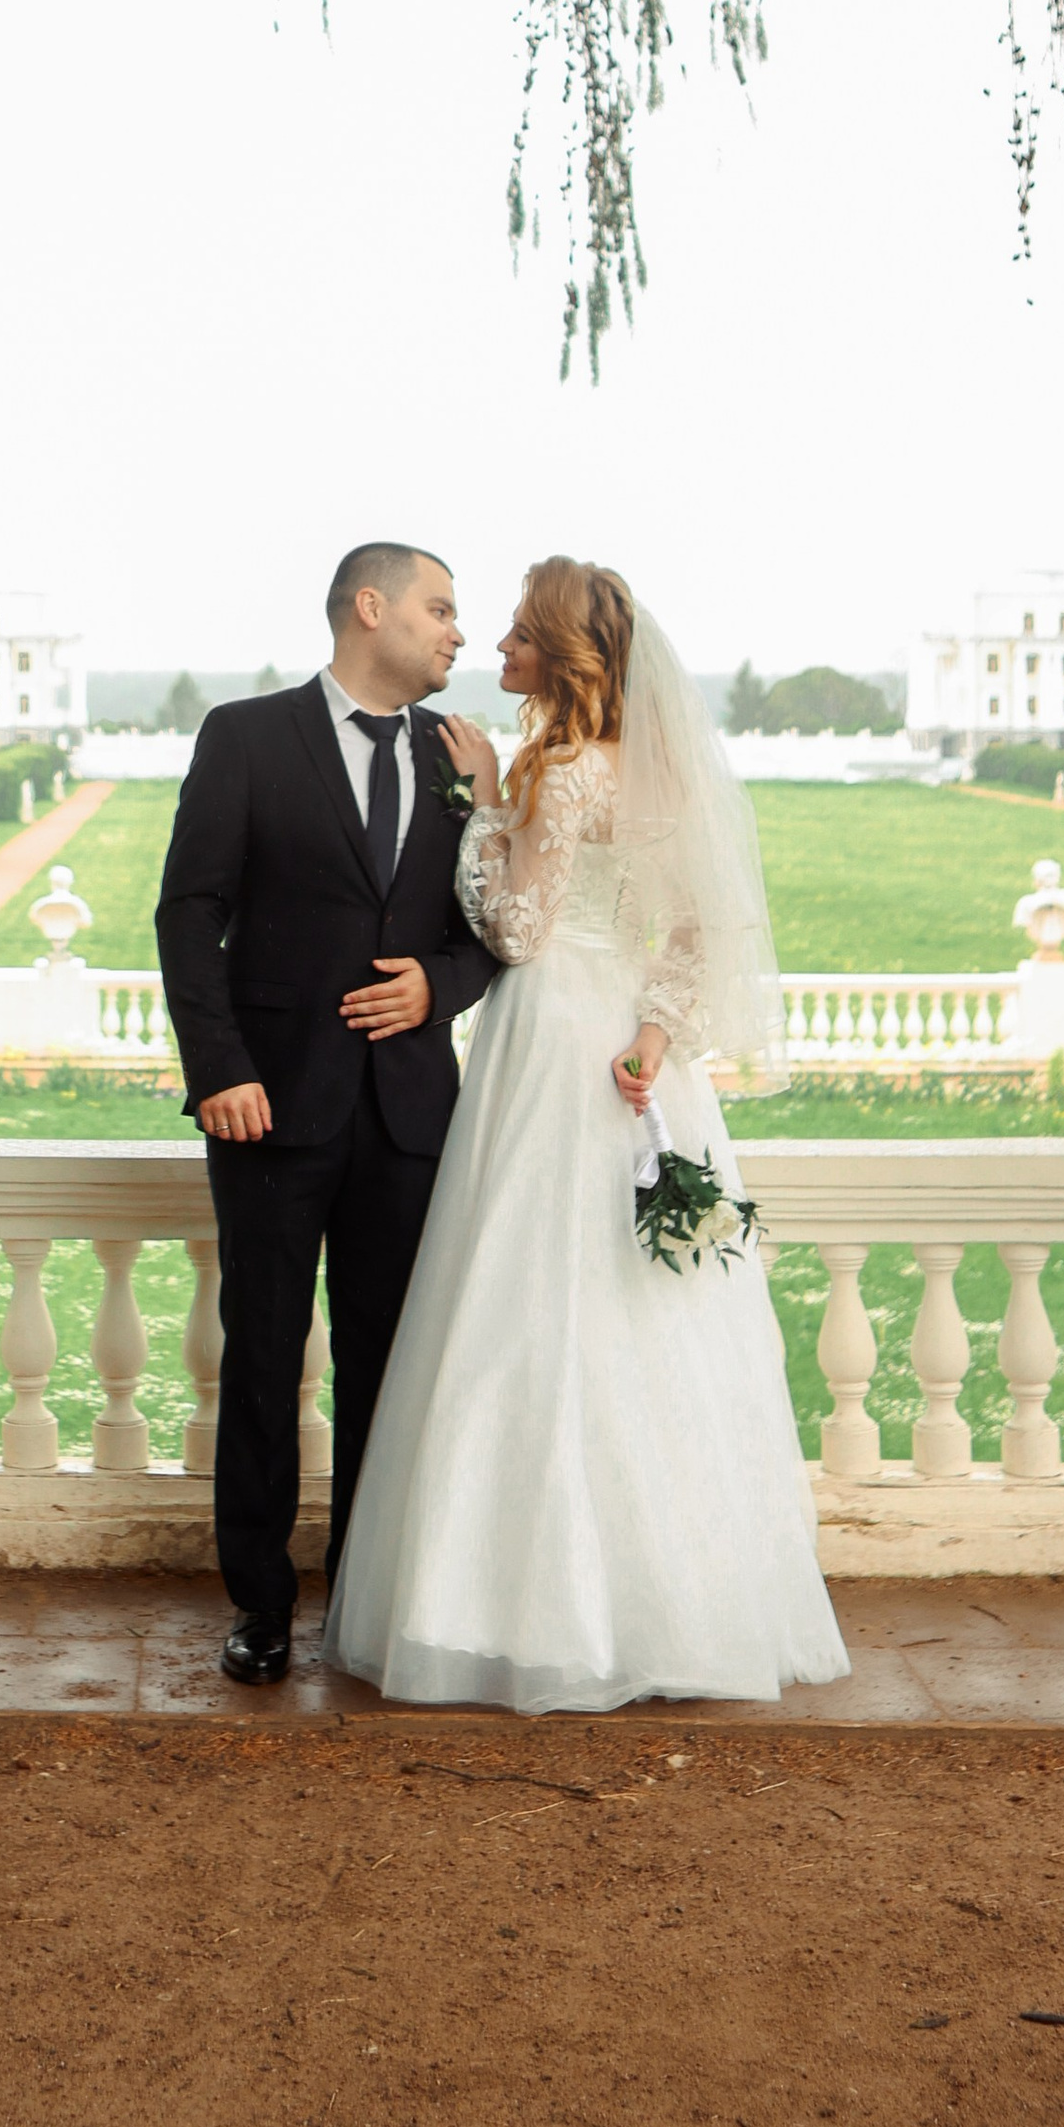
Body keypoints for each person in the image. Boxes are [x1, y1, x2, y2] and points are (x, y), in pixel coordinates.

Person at [323, 556, 848, 1712]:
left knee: (527, 1302)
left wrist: (479, 805)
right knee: (646, 1314)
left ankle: (515, 1612)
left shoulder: (559, 772)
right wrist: (653, 1041)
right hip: (631, 1054)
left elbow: (516, 929)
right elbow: (694, 932)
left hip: (551, 1042)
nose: (498, 649)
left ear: (561, 657)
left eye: (518, 636)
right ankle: (680, 1604)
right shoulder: (660, 775)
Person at [154, 543, 501, 1685]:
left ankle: (363, 1599)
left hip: (409, 1115)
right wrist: (220, 1068)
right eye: (439, 608)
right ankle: (259, 1605)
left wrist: (436, 987)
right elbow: (187, 911)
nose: (457, 631)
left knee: (388, 1366)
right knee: (261, 1357)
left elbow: (494, 926)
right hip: (266, 1107)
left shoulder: (461, 757)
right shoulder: (246, 737)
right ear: (370, 607)